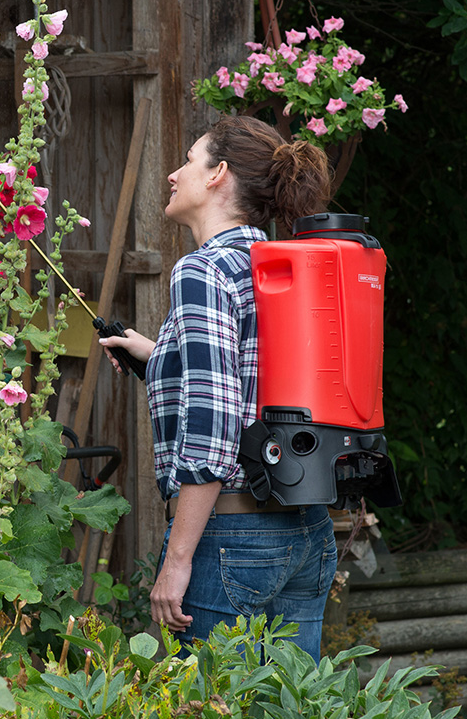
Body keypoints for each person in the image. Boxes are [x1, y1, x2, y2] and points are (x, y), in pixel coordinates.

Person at [99, 116, 338, 661]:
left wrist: (178, 559)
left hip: (233, 538)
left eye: (188, 159)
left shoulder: (202, 271)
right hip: (306, 531)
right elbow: (253, 378)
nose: (173, 174)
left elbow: (215, 427)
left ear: (217, 175)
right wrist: (157, 355)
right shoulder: (280, 266)